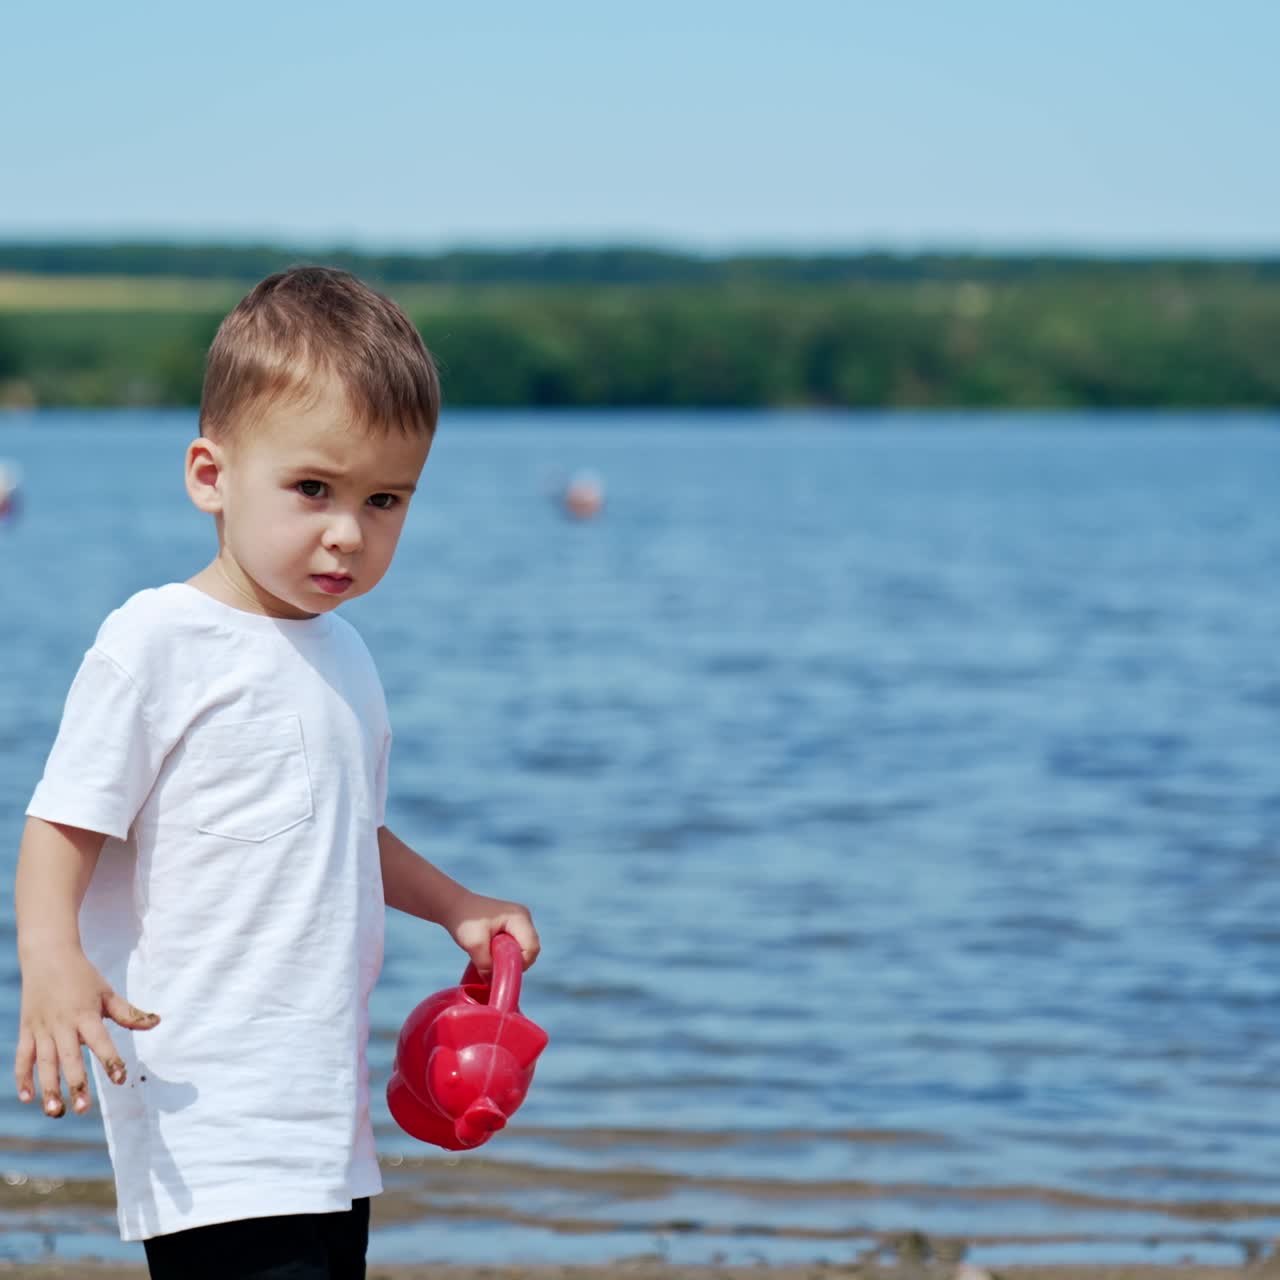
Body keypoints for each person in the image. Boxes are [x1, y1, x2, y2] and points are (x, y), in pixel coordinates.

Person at [12, 266, 540, 1279]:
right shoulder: (159, 639)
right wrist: (51, 957)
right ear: (211, 475)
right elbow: (62, 821)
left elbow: (345, 832)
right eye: (314, 490)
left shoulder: (342, 655)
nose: (349, 530)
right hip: (207, 1103)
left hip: (318, 1112)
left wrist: (456, 904)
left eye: (385, 499)